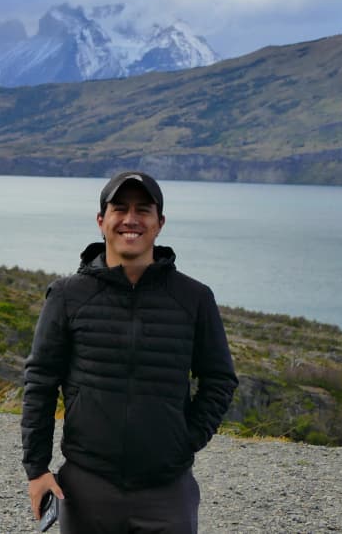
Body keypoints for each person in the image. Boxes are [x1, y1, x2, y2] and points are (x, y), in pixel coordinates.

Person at [21, 171, 238, 533]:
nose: (130, 219)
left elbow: (219, 379)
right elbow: (40, 383)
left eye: (143, 210)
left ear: (159, 223)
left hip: (167, 490)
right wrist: (37, 469)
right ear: (101, 221)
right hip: (86, 485)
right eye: (119, 208)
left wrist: (185, 442)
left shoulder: (194, 298)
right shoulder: (66, 296)